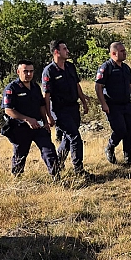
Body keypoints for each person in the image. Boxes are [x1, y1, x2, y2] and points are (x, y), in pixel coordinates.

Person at [2, 60, 60, 178]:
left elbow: (41, 106)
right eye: (25, 71)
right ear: (18, 72)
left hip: (38, 125)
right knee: (20, 154)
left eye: (31, 71)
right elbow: (8, 110)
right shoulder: (12, 88)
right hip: (20, 128)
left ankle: (56, 176)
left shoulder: (35, 87)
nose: (28, 74)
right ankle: (17, 178)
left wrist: (46, 121)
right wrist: (27, 119)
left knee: (49, 150)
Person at [42, 40, 90, 176]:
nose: (67, 51)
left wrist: (83, 101)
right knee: (75, 138)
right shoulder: (49, 71)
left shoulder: (70, 67)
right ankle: (79, 170)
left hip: (73, 107)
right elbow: (46, 95)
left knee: (67, 139)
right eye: (64, 49)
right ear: (56, 52)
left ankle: (57, 164)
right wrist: (48, 116)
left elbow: (76, 85)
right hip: (59, 110)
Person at [95, 42, 131, 165]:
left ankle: (128, 157)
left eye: (124, 50)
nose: (124, 52)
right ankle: (110, 147)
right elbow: (98, 86)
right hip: (113, 105)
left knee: (130, 129)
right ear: (113, 53)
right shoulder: (106, 67)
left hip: (126, 104)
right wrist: (103, 104)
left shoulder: (126, 68)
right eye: (122, 51)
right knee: (120, 130)